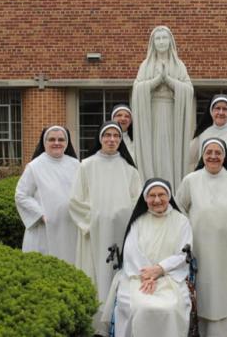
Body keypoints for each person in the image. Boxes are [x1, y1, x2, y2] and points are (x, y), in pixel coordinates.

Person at [176, 138, 227, 337]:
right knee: (205, 291)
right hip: (201, 249)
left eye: (217, 153)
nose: (213, 156)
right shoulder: (190, 180)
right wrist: (187, 234)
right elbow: (178, 209)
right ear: (203, 156)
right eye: (208, 152)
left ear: (224, 156)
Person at [68, 121, 142, 336]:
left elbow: (137, 200)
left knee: (119, 274)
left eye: (116, 136)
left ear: (120, 140)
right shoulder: (86, 165)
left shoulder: (129, 169)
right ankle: (96, 324)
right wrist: (94, 218)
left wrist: (123, 217)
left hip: (121, 233)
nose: (111, 140)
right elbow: (75, 200)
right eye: (107, 135)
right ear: (99, 139)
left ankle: (119, 321)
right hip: (94, 233)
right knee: (95, 274)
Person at [104, 178, 193, 337]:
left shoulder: (181, 221)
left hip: (170, 277)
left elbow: (183, 253)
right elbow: (131, 252)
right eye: (152, 195)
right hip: (138, 276)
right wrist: (147, 275)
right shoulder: (138, 221)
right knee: (140, 306)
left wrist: (160, 269)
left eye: (161, 195)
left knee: (172, 308)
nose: (157, 200)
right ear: (145, 198)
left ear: (169, 196)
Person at [131, 25, 194, 189]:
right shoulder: (145, 65)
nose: (161, 42)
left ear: (170, 41)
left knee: (170, 154)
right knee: (153, 152)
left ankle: (172, 188)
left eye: (164, 38)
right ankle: (151, 186)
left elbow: (188, 89)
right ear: (153, 43)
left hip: (173, 115)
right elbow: (137, 89)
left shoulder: (179, 65)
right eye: (157, 39)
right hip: (151, 116)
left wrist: (169, 80)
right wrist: (157, 80)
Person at [15, 125, 80, 264]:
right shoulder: (35, 166)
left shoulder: (76, 165)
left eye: (61, 139)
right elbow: (21, 195)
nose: (56, 143)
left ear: (66, 142)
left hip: (70, 227)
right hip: (44, 228)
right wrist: (39, 214)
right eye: (52, 139)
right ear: (44, 143)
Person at [190, 94, 227, 166]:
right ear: (211, 111)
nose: (221, 112)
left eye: (225, 109)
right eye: (217, 108)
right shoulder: (203, 133)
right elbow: (189, 157)